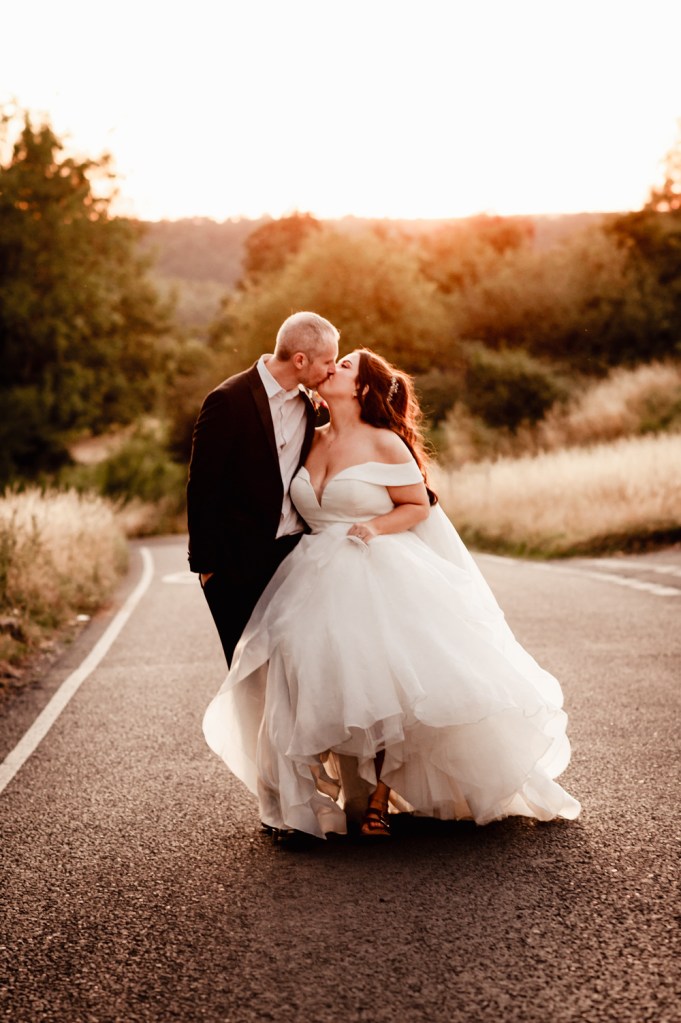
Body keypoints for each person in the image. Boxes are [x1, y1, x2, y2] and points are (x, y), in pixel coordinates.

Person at [203, 348, 581, 839]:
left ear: (361, 388)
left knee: (382, 678)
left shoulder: (385, 443)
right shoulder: (307, 440)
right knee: (308, 672)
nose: (332, 367)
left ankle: (379, 796)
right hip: (309, 573)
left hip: (373, 565)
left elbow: (417, 505)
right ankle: (314, 796)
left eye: (344, 366)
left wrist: (376, 527)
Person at [187, 311, 339, 666]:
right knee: (245, 673)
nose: (332, 369)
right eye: (328, 361)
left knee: (292, 670)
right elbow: (202, 486)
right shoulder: (228, 400)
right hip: (234, 567)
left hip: (292, 558)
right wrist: (208, 570)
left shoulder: (308, 402)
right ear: (300, 360)